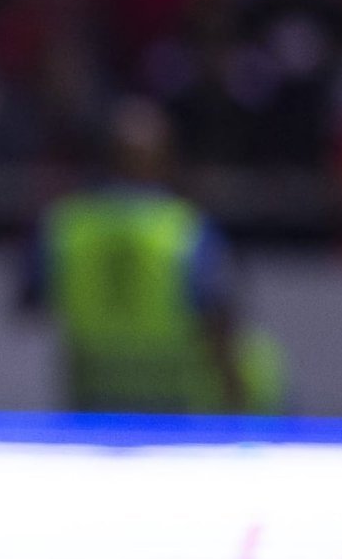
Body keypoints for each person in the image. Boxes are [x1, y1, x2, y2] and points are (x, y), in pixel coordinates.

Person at [19, 95, 286, 414]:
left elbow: (28, 302)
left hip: (93, 395)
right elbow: (219, 326)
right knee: (265, 363)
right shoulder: (187, 232)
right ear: (167, 161)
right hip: (174, 403)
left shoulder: (65, 226)